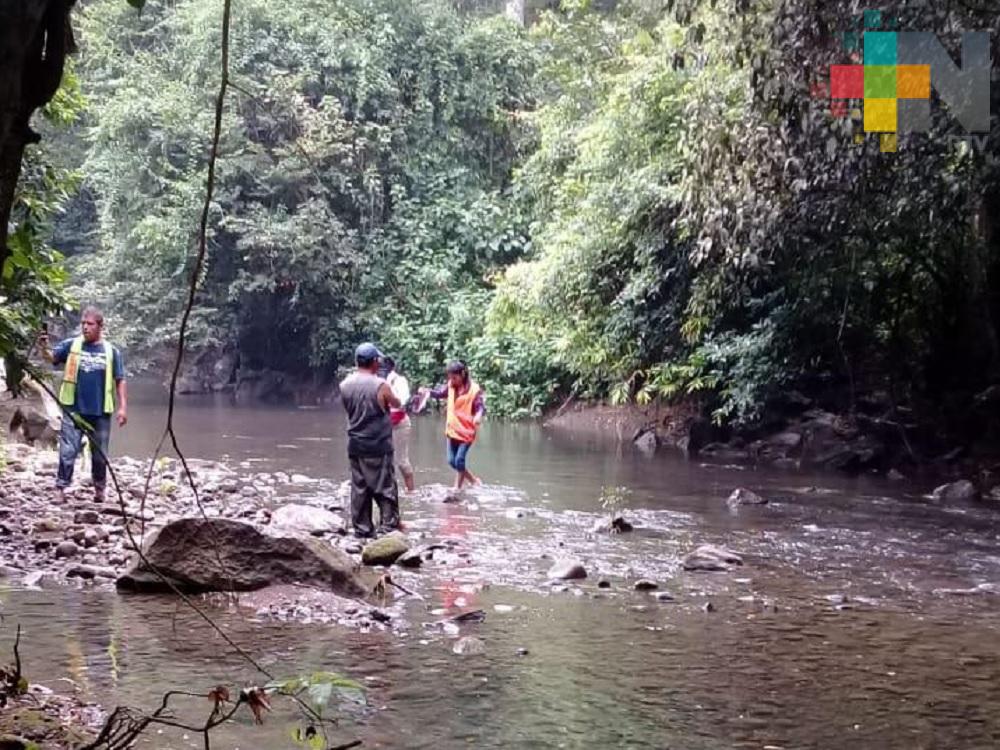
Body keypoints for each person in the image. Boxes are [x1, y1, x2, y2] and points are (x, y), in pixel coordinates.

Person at [39, 306, 128, 503]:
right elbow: (52, 357)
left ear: (100, 326)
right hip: (73, 408)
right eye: (83, 324)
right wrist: (44, 347)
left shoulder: (112, 351)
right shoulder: (72, 345)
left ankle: (100, 489)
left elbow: (120, 379)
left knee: (99, 454)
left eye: (90, 324)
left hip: (100, 411)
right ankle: (61, 488)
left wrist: (122, 408)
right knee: (68, 449)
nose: (85, 328)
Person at [339, 342, 401, 538]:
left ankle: (362, 530)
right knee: (385, 486)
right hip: (378, 445)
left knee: (359, 488)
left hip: (355, 445)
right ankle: (388, 528)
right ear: (374, 362)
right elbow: (397, 403)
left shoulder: (344, 385)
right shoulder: (381, 385)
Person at [419, 360, 485, 489]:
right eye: (450, 378)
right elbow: (440, 394)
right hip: (452, 430)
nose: (452, 380)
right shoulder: (450, 386)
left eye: (454, 377)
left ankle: (457, 488)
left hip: (466, 432)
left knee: (459, 461)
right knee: (451, 461)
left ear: (463, 374)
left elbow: (480, 407)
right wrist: (427, 391)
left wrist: (478, 415)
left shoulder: (474, 390)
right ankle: (473, 480)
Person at [382, 356, 415, 493]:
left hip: (399, 424)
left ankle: (411, 491)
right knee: (382, 460)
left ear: (391, 368)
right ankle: (386, 491)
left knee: (401, 461)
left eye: (383, 368)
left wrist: (388, 395)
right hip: (383, 424)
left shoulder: (399, 381)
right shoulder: (375, 382)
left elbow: (403, 401)